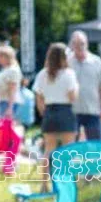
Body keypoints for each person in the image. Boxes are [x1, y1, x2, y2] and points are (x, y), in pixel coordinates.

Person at [33, 43, 79, 174]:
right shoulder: (69, 74)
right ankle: (69, 180)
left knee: (48, 149)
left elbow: (39, 97)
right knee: (69, 150)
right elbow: (72, 97)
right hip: (65, 111)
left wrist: (44, 113)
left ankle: (44, 183)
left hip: (50, 111)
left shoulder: (42, 74)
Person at [68, 31, 101, 140]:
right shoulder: (67, 61)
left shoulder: (96, 61)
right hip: (72, 110)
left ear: (87, 44)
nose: (79, 47)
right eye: (76, 44)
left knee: (94, 143)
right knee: (71, 144)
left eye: (82, 43)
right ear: (72, 45)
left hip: (92, 109)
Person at [0, 45, 24, 121]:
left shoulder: (12, 70)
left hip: (8, 102)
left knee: (6, 127)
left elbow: (12, 89)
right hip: (3, 101)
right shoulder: (5, 69)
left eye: (0, 56)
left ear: (7, 57)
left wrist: (10, 108)